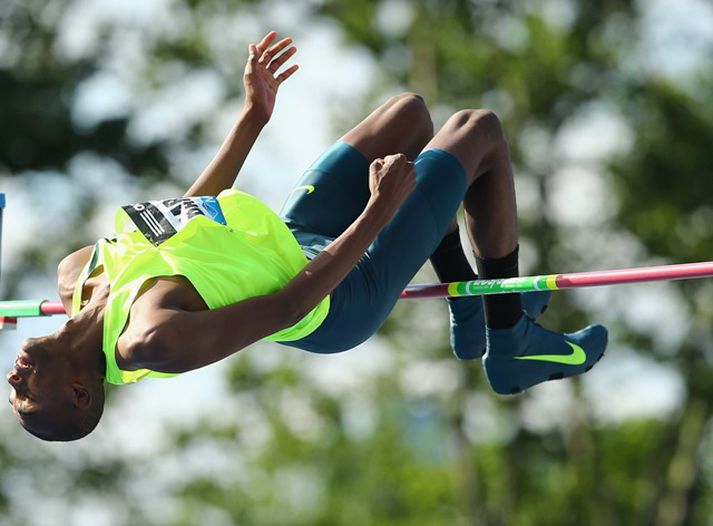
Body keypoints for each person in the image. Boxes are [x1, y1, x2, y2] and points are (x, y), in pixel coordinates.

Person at [7, 31, 607, 442]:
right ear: (82, 394)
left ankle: (468, 300)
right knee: (478, 130)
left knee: (408, 116)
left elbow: (185, 213)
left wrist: (253, 118)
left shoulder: (77, 274)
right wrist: (378, 210)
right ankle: (510, 340)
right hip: (334, 299)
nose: (11, 381)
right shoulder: (151, 341)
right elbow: (291, 304)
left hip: (294, 240)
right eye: (27, 399)